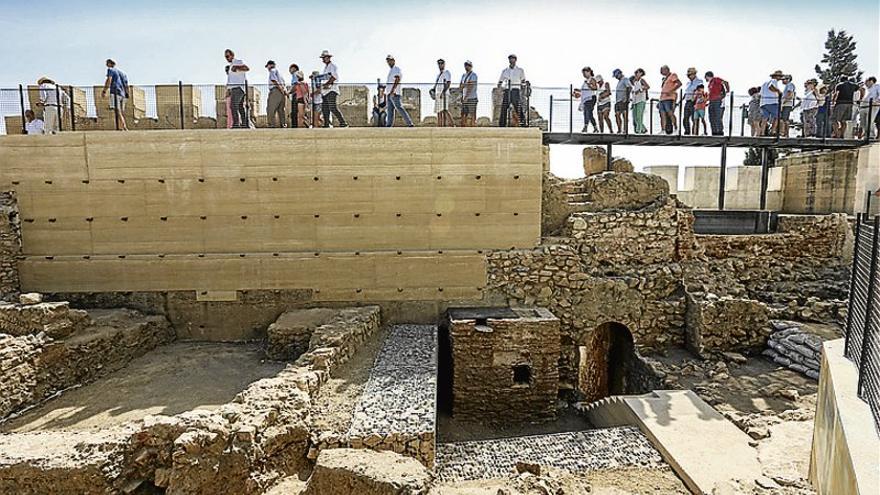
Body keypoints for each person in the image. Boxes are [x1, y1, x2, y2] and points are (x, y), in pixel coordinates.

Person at [315, 50, 348, 128]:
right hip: (325, 91)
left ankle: (343, 122)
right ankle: (326, 124)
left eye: (325, 57)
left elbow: (334, 77)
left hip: (331, 90)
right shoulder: (325, 68)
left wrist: (327, 84)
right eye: (323, 58)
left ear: (328, 58)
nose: (323, 59)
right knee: (325, 108)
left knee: (332, 107)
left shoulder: (333, 66)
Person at [385, 55, 414, 127]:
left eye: (390, 60)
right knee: (390, 111)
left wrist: (393, 91)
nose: (389, 62)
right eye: (388, 61)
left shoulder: (396, 69)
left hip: (394, 93)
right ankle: (388, 125)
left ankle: (409, 123)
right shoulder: (391, 71)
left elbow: (397, 79)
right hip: (389, 94)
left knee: (399, 108)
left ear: (394, 61)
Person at [498, 54, 526, 127]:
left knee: (518, 107)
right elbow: (501, 80)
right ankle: (502, 124)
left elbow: (523, 80)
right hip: (507, 90)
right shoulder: (505, 71)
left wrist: (523, 89)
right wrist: (499, 88)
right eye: (510, 59)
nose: (511, 60)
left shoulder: (520, 70)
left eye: (513, 59)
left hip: (515, 90)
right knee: (504, 107)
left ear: (515, 60)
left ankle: (523, 123)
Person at [223, 49, 249, 129]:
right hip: (235, 88)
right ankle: (244, 124)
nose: (227, 58)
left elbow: (247, 68)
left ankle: (236, 124)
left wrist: (237, 67)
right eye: (225, 57)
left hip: (238, 88)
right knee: (240, 107)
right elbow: (231, 79)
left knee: (233, 106)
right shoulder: (231, 66)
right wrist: (228, 90)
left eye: (228, 56)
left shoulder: (238, 62)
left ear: (232, 55)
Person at [101, 58, 129, 130]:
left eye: (107, 63)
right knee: (120, 111)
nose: (106, 65)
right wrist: (127, 93)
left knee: (117, 110)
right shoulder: (122, 73)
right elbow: (126, 84)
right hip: (122, 93)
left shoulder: (110, 70)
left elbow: (109, 80)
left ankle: (123, 126)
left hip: (115, 92)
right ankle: (121, 126)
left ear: (110, 63)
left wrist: (104, 90)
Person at [573, 67, 598, 133]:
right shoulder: (585, 82)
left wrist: (588, 84)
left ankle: (586, 127)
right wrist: (577, 92)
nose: (584, 74)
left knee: (588, 113)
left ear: (589, 72)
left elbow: (595, 88)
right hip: (585, 99)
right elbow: (583, 92)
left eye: (585, 72)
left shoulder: (591, 79)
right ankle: (594, 127)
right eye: (583, 73)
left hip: (590, 98)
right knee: (587, 114)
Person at [759, 70, 784, 136]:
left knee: (764, 119)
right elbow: (771, 86)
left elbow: (760, 93)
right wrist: (778, 91)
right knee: (777, 117)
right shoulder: (774, 81)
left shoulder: (764, 83)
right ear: (777, 76)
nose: (780, 78)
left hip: (763, 103)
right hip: (772, 102)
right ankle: (772, 131)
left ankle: (762, 133)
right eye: (780, 76)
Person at [705, 71, 729, 136]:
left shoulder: (716, 79)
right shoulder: (710, 84)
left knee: (718, 117)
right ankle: (714, 132)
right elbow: (711, 93)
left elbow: (726, 82)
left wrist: (727, 91)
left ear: (707, 76)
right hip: (711, 101)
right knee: (711, 118)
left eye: (706, 77)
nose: (705, 79)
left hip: (717, 101)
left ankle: (720, 132)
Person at [659, 65, 680, 135]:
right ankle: (663, 130)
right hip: (662, 98)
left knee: (670, 113)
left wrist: (671, 91)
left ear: (667, 70)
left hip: (669, 98)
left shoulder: (673, 75)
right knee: (662, 114)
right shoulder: (665, 79)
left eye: (662, 70)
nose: (661, 72)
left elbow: (679, 83)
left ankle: (676, 128)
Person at [265, 60, 287, 128]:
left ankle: (271, 125)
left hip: (275, 90)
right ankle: (283, 124)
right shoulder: (280, 73)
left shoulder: (272, 70)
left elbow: (273, 80)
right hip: (282, 92)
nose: (267, 68)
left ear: (270, 65)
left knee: (270, 109)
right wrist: (283, 91)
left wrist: (280, 88)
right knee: (281, 110)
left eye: (267, 66)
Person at [433, 59, 453, 127]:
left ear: (444, 64)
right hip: (438, 93)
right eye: (439, 63)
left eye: (441, 63)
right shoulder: (438, 75)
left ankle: (452, 124)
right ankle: (439, 125)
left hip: (443, 93)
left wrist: (443, 92)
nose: (440, 65)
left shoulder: (447, 72)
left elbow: (448, 83)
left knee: (444, 110)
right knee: (438, 111)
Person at [682, 68, 702, 135]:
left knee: (695, 119)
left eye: (690, 75)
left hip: (695, 102)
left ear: (694, 74)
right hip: (687, 101)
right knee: (685, 118)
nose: (688, 76)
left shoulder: (699, 81)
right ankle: (687, 132)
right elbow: (686, 92)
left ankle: (695, 133)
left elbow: (700, 91)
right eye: (688, 75)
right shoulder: (688, 83)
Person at [612, 69, 632, 133]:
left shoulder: (625, 79)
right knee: (617, 115)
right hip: (618, 101)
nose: (615, 77)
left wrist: (627, 98)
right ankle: (619, 129)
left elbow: (629, 87)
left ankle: (625, 130)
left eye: (616, 76)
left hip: (623, 100)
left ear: (619, 74)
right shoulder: (619, 81)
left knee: (624, 115)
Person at [630, 69, 650, 134]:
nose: (636, 74)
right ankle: (643, 129)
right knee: (635, 117)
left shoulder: (642, 80)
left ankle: (639, 130)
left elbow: (647, 87)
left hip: (641, 100)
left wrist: (640, 90)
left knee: (639, 116)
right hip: (635, 102)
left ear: (641, 73)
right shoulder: (635, 83)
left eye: (637, 73)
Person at [459, 61, 478, 127]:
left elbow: (471, 86)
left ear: (471, 66)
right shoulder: (463, 75)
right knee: (463, 113)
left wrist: (466, 97)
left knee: (472, 113)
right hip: (464, 97)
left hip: (472, 98)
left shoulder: (473, 75)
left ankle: (473, 126)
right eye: (466, 65)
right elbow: (461, 85)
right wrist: (462, 96)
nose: (467, 67)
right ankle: (464, 127)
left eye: (469, 65)